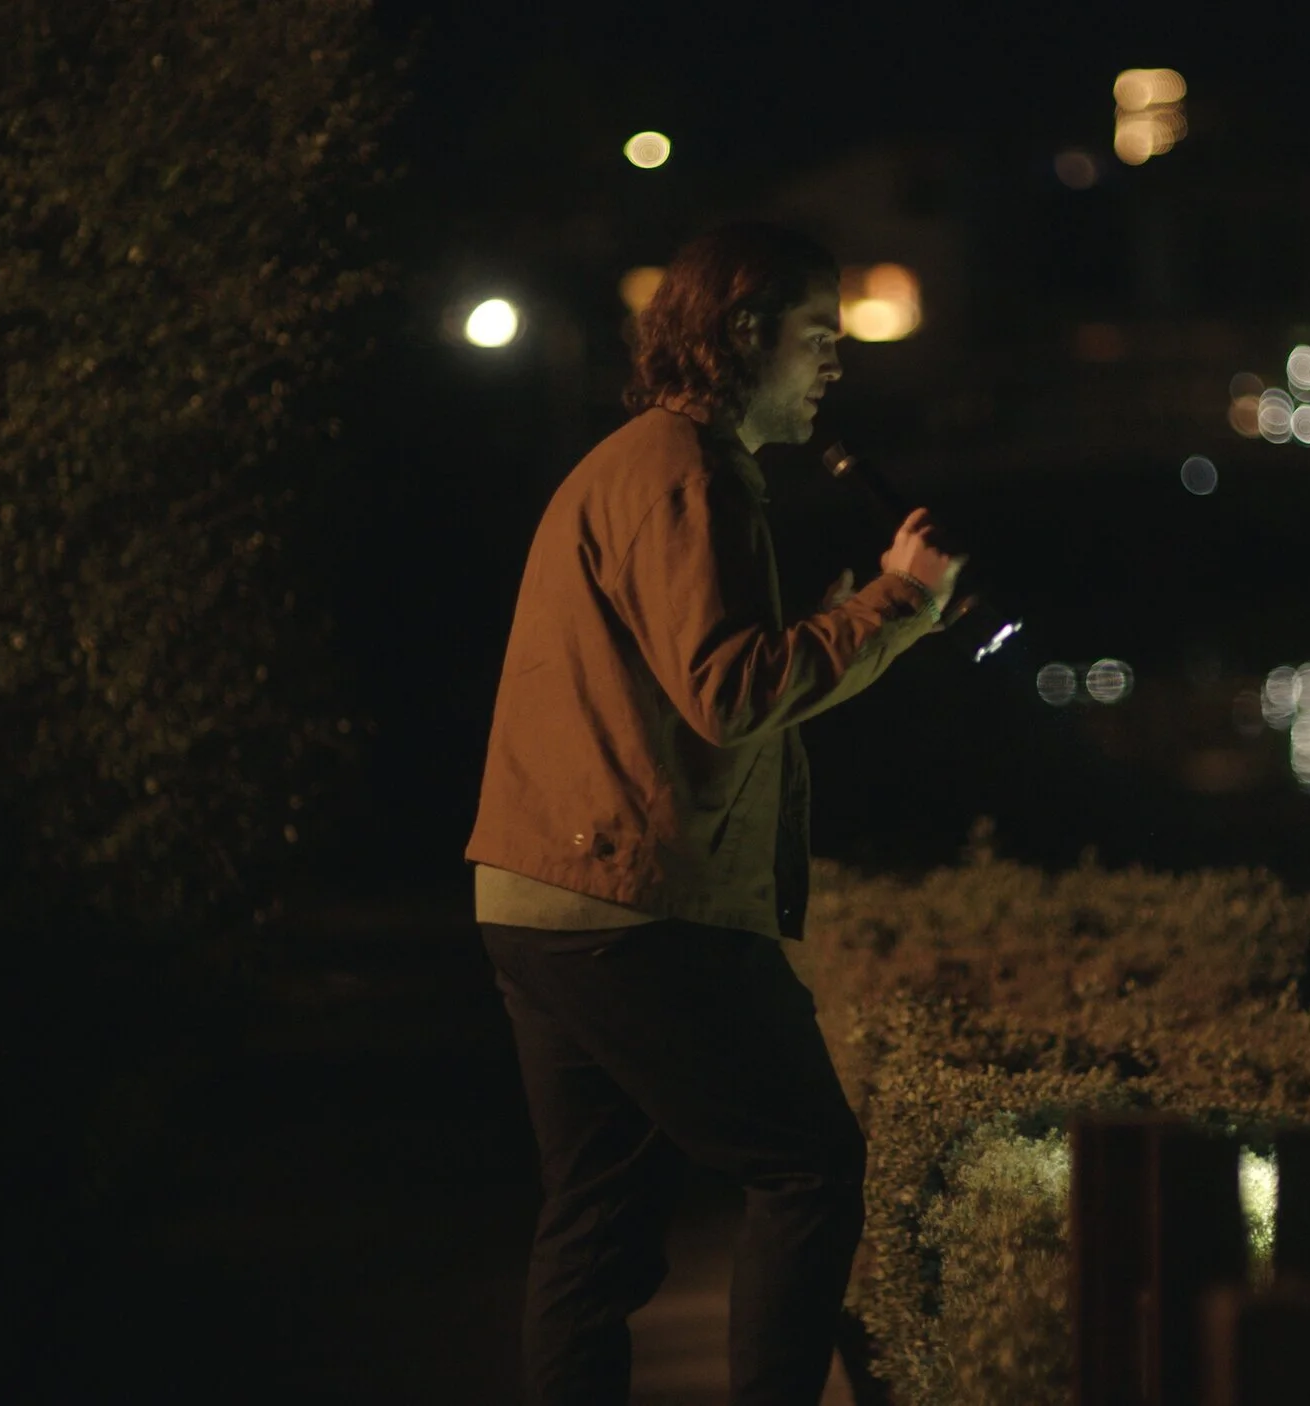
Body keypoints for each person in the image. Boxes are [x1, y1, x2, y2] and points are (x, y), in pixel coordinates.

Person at [464, 223, 964, 1406]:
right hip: (630, 899)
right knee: (808, 1165)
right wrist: (897, 602)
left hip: (538, 891)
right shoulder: (690, 472)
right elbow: (731, 689)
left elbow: (696, 676)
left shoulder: (635, 462)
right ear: (743, 334)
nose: (834, 360)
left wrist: (852, 619)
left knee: (597, 1220)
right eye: (816, 334)